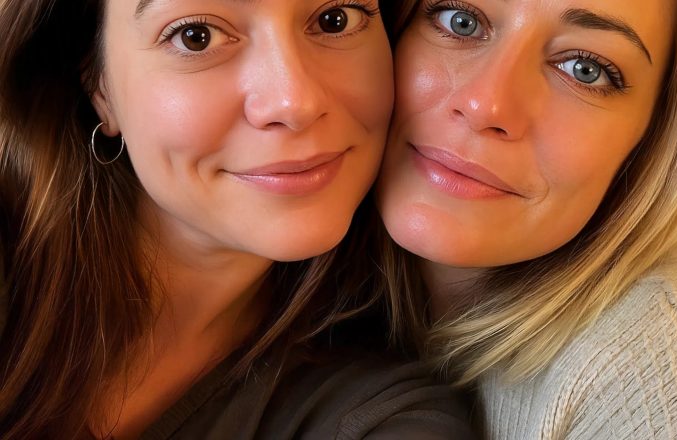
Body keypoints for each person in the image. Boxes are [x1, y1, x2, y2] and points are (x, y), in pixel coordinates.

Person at [0, 0, 475, 438]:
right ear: (98, 85)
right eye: (196, 37)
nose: (295, 103)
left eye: (335, 19)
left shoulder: (383, 415)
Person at [378, 0, 677, 438]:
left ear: (660, 132)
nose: (485, 105)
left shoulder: (665, 366)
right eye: (460, 21)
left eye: (584, 69)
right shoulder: (334, 278)